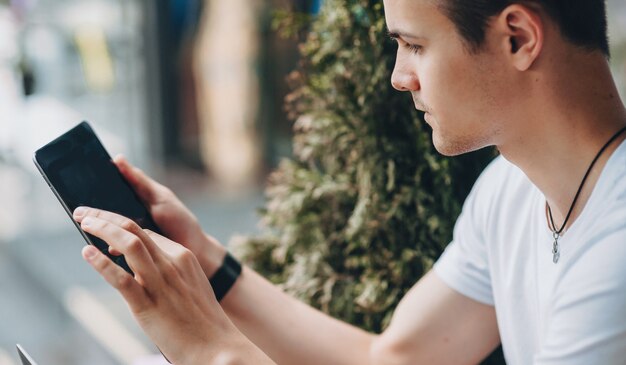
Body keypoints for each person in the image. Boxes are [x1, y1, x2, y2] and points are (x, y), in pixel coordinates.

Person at [71, 0, 626, 364]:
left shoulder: (617, 250)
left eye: (414, 45)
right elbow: (394, 361)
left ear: (517, 38)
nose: (397, 76)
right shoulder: (509, 189)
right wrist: (209, 263)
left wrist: (208, 349)